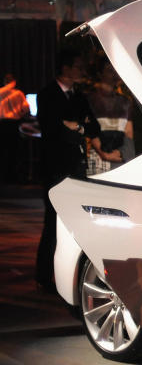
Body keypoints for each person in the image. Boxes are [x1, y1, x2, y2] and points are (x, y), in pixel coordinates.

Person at [35, 50, 100, 292]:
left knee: (76, 223)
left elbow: (95, 126)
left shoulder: (79, 96)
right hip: (54, 167)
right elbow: (51, 128)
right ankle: (43, 276)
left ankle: (71, 276)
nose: (81, 70)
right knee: (52, 223)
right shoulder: (47, 94)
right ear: (65, 68)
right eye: (77, 65)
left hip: (76, 167)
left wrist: (77, 127)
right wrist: (71, 127)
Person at [86, 63, 134, 175]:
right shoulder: (90, 100)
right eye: (109, 70)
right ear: (100, 74)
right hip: (97, 157)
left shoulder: (125, 102)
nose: (114, 74)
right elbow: (89, 131)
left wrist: (124, 154)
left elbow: (128, 132)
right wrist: (104, 153)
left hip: (119, 155)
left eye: (115, 70)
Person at [0, 73, 30, 183]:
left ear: (4, 81)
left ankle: (3, 177)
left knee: (3, 150)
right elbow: (26, 109)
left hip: (2, 124)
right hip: (14, 124)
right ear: (14, 82)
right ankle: (13, 176)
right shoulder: (19, 93)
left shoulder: (0, 92)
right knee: (13, 151)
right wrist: (19, 114)